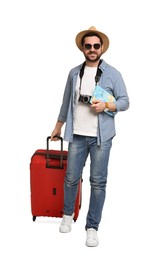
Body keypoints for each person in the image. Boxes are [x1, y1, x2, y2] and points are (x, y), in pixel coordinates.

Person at [50, 26, 129, 247]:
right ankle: (67, 215)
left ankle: (92, 227)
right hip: (76, 135)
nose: (92, 49)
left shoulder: (113, 74)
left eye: (96, 46)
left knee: (98, 182)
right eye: (88, 46)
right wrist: (58, 127)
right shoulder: (74, 73)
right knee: (71, 178)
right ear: (83, 49)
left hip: (101, 138)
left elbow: (125, 101)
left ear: (101, 47)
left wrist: (106, 104)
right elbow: (66, 102)